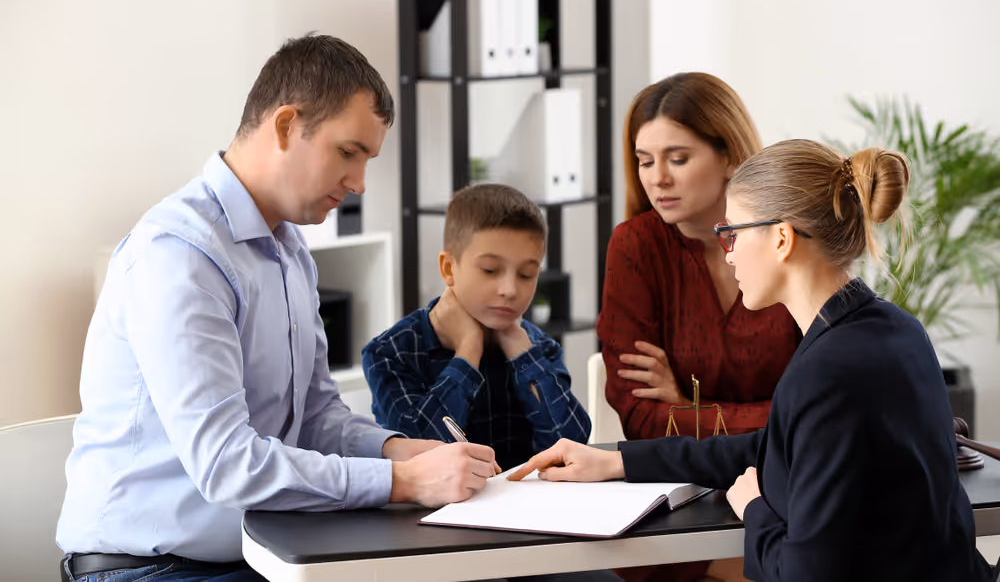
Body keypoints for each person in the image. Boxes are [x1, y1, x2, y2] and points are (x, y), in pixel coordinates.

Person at [56, 35, 500, 582]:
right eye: (348, 153)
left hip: (257, 554)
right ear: (287, 125)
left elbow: (314, 419)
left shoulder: (288, 250)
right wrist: (402, 482)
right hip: (149, 570)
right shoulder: (179, 257)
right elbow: (226, 466)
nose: (359, 183)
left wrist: (403, 452)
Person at [511, 140, 994, 582]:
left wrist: (755, 508)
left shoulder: (825, 371)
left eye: (733, 232)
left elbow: (803, 576)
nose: (729, 253)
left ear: (782, 239)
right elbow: (777, 446)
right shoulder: (897, 330)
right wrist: (616, 459)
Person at [600, 74, 800, 581]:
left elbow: (821, 417)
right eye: (645, 161)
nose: (657, 178)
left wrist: (688, 409)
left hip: (791, 489)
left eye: (678, 158)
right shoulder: (635, 247)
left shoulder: (786, 241)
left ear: (730, 156)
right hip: (682, 503)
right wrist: (771, 421)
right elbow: (642, 423)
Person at [363, 183, 591, 473]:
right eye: (490, 270)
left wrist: (522, 355)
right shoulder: (391, 353)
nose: (509, 290)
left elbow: (573, 447)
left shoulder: (537, 348)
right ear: (448, 269)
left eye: (526, 274)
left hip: (524, 513)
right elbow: (419, 456)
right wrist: (468, 350)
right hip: (428, 517)